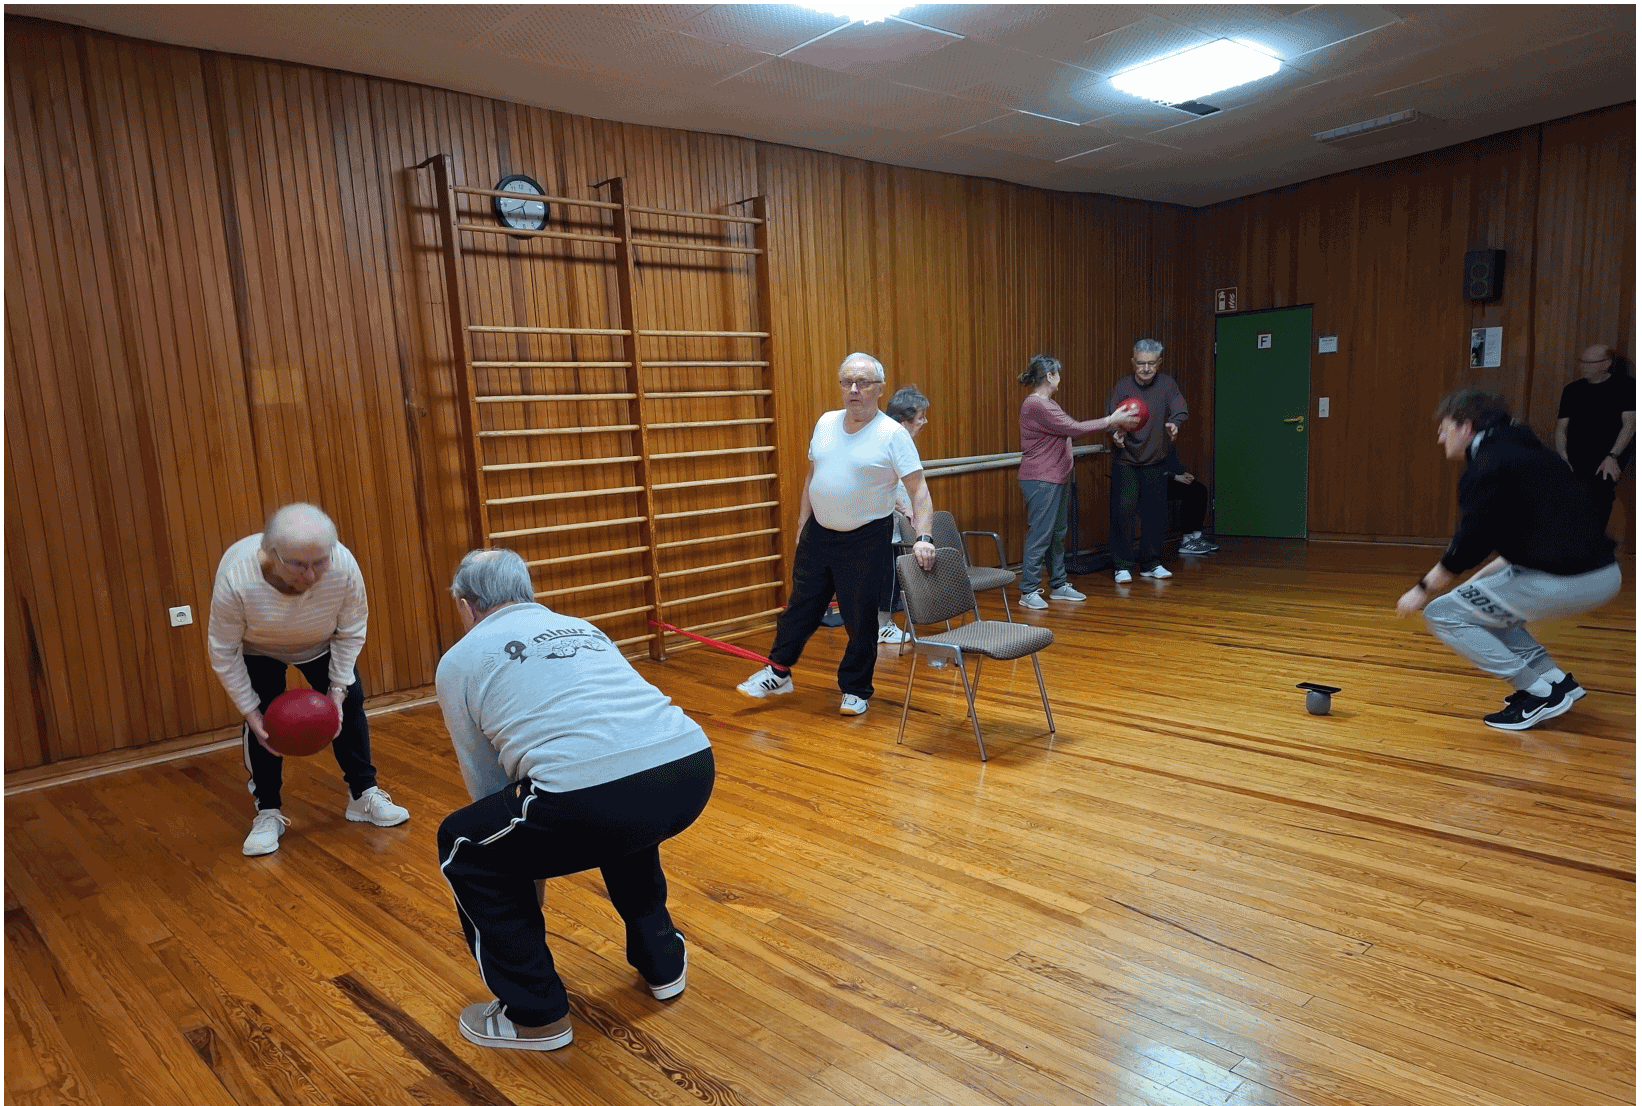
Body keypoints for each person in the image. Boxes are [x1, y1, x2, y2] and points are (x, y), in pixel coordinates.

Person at [436, 548, 714, 1052]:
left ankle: (535, 1017)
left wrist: (521, 865)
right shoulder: (581, 627)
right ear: (527, 591)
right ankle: (663, 961)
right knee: (619, 807)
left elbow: (488, 781)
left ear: (465, 605)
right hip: (689, 768)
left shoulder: (459, 659)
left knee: (465, 844)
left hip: (598, 794)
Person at [1396, 389, 1620, 731]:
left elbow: (1469, 544)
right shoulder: (1530, 453)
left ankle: (1537, 693)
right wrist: (1474, 587)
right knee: (1483, 607)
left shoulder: (1488, 466)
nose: (1440, 437)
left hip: (1568, 580)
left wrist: (1422, 590)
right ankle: (1555, 680)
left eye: (1444, 428)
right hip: (1603, 574)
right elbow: (1528, 537)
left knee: (1442, 614)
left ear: (1465, 426)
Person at [736, 353, 936, 715]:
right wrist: (802, 522)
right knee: (800, 608)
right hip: (819, 533)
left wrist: (924, 537)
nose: (854, 389)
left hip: (866, 537)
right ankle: (778, 671)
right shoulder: (826, 423)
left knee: (860, 618)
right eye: (847, 382)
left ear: (879, 388)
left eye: (863, 383)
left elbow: (918, 490)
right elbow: (813, 476)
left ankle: (856, 689)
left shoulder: (892, 434)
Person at [207, 502, 409, 857]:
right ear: (270, 553)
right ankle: (268, 811)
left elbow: (351, 630)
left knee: (351, 702)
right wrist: (251, 712)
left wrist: (338, 689)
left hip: (322, 640)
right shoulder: (237, 577)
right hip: (258, 647)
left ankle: (363, 795)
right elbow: (223, 651)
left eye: (320, 562)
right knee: (264, 725)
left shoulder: (342, 565)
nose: (312, 574)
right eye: (299, 565)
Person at [1017, 354, 1140, 609]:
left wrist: (1113, 424)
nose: (1060, 378)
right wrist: (1110, 420)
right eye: (1058, 373)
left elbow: (1068, 429)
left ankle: (1059, 585)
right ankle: (1028, 590)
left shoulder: (1047, 403)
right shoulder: (1036, 404)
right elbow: (1074, 428)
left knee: (1056, 534)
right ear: (1049, 376)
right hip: (1041, 479)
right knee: (1040, 535)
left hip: (1055, 478)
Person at [1108, 339, 1189, 583]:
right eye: (1141, 363)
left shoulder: (1167, 384)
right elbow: (1111, 418)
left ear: (1159, 363)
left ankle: (1150, 563)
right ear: (1133, 362)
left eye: (1151, 363)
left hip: (1156, 461)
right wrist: (1116, 434)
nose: (1145, 368)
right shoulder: (1122, 386)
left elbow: (1180, 407)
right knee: (1123, 513)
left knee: (1154, 514)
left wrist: (1175, 423)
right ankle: (1122, 566)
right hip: (1126, 462)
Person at [1556, 344, 1635, 529]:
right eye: (1581, 362)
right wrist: (1563, 456)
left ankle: (1594, 541)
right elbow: (1561, 428)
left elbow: (1630, 424)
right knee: (1571, 501)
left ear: (1606, 364)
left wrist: (1612, 456)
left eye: (1588, 362)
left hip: (1607, 456)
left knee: (1600, 497)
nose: (1583, 366)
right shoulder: (1572, 390)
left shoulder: (1626, 385)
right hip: (1575, 456)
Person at [878, 384, 931, 644]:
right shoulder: (891, 439)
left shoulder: (897, 438)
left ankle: (882, 624)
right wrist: (906, 509)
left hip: (893, 522)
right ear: (903, 419)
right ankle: (882, 627)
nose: (924, 422)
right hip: (884, 524)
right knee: (887, 577)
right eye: (920, 417)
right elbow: (883, 483)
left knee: (891, 577)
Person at [1163, 446, 1218, 554]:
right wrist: (1175, 476)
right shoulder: (1150, 442)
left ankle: (1196, 537)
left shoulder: (1166, 441)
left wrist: (1184, 473)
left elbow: (1173, 461)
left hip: (1167, 478)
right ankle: (1186, 540)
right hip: (1151, 482)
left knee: (1199, 489)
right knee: (1189, 492)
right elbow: (1152, 469)